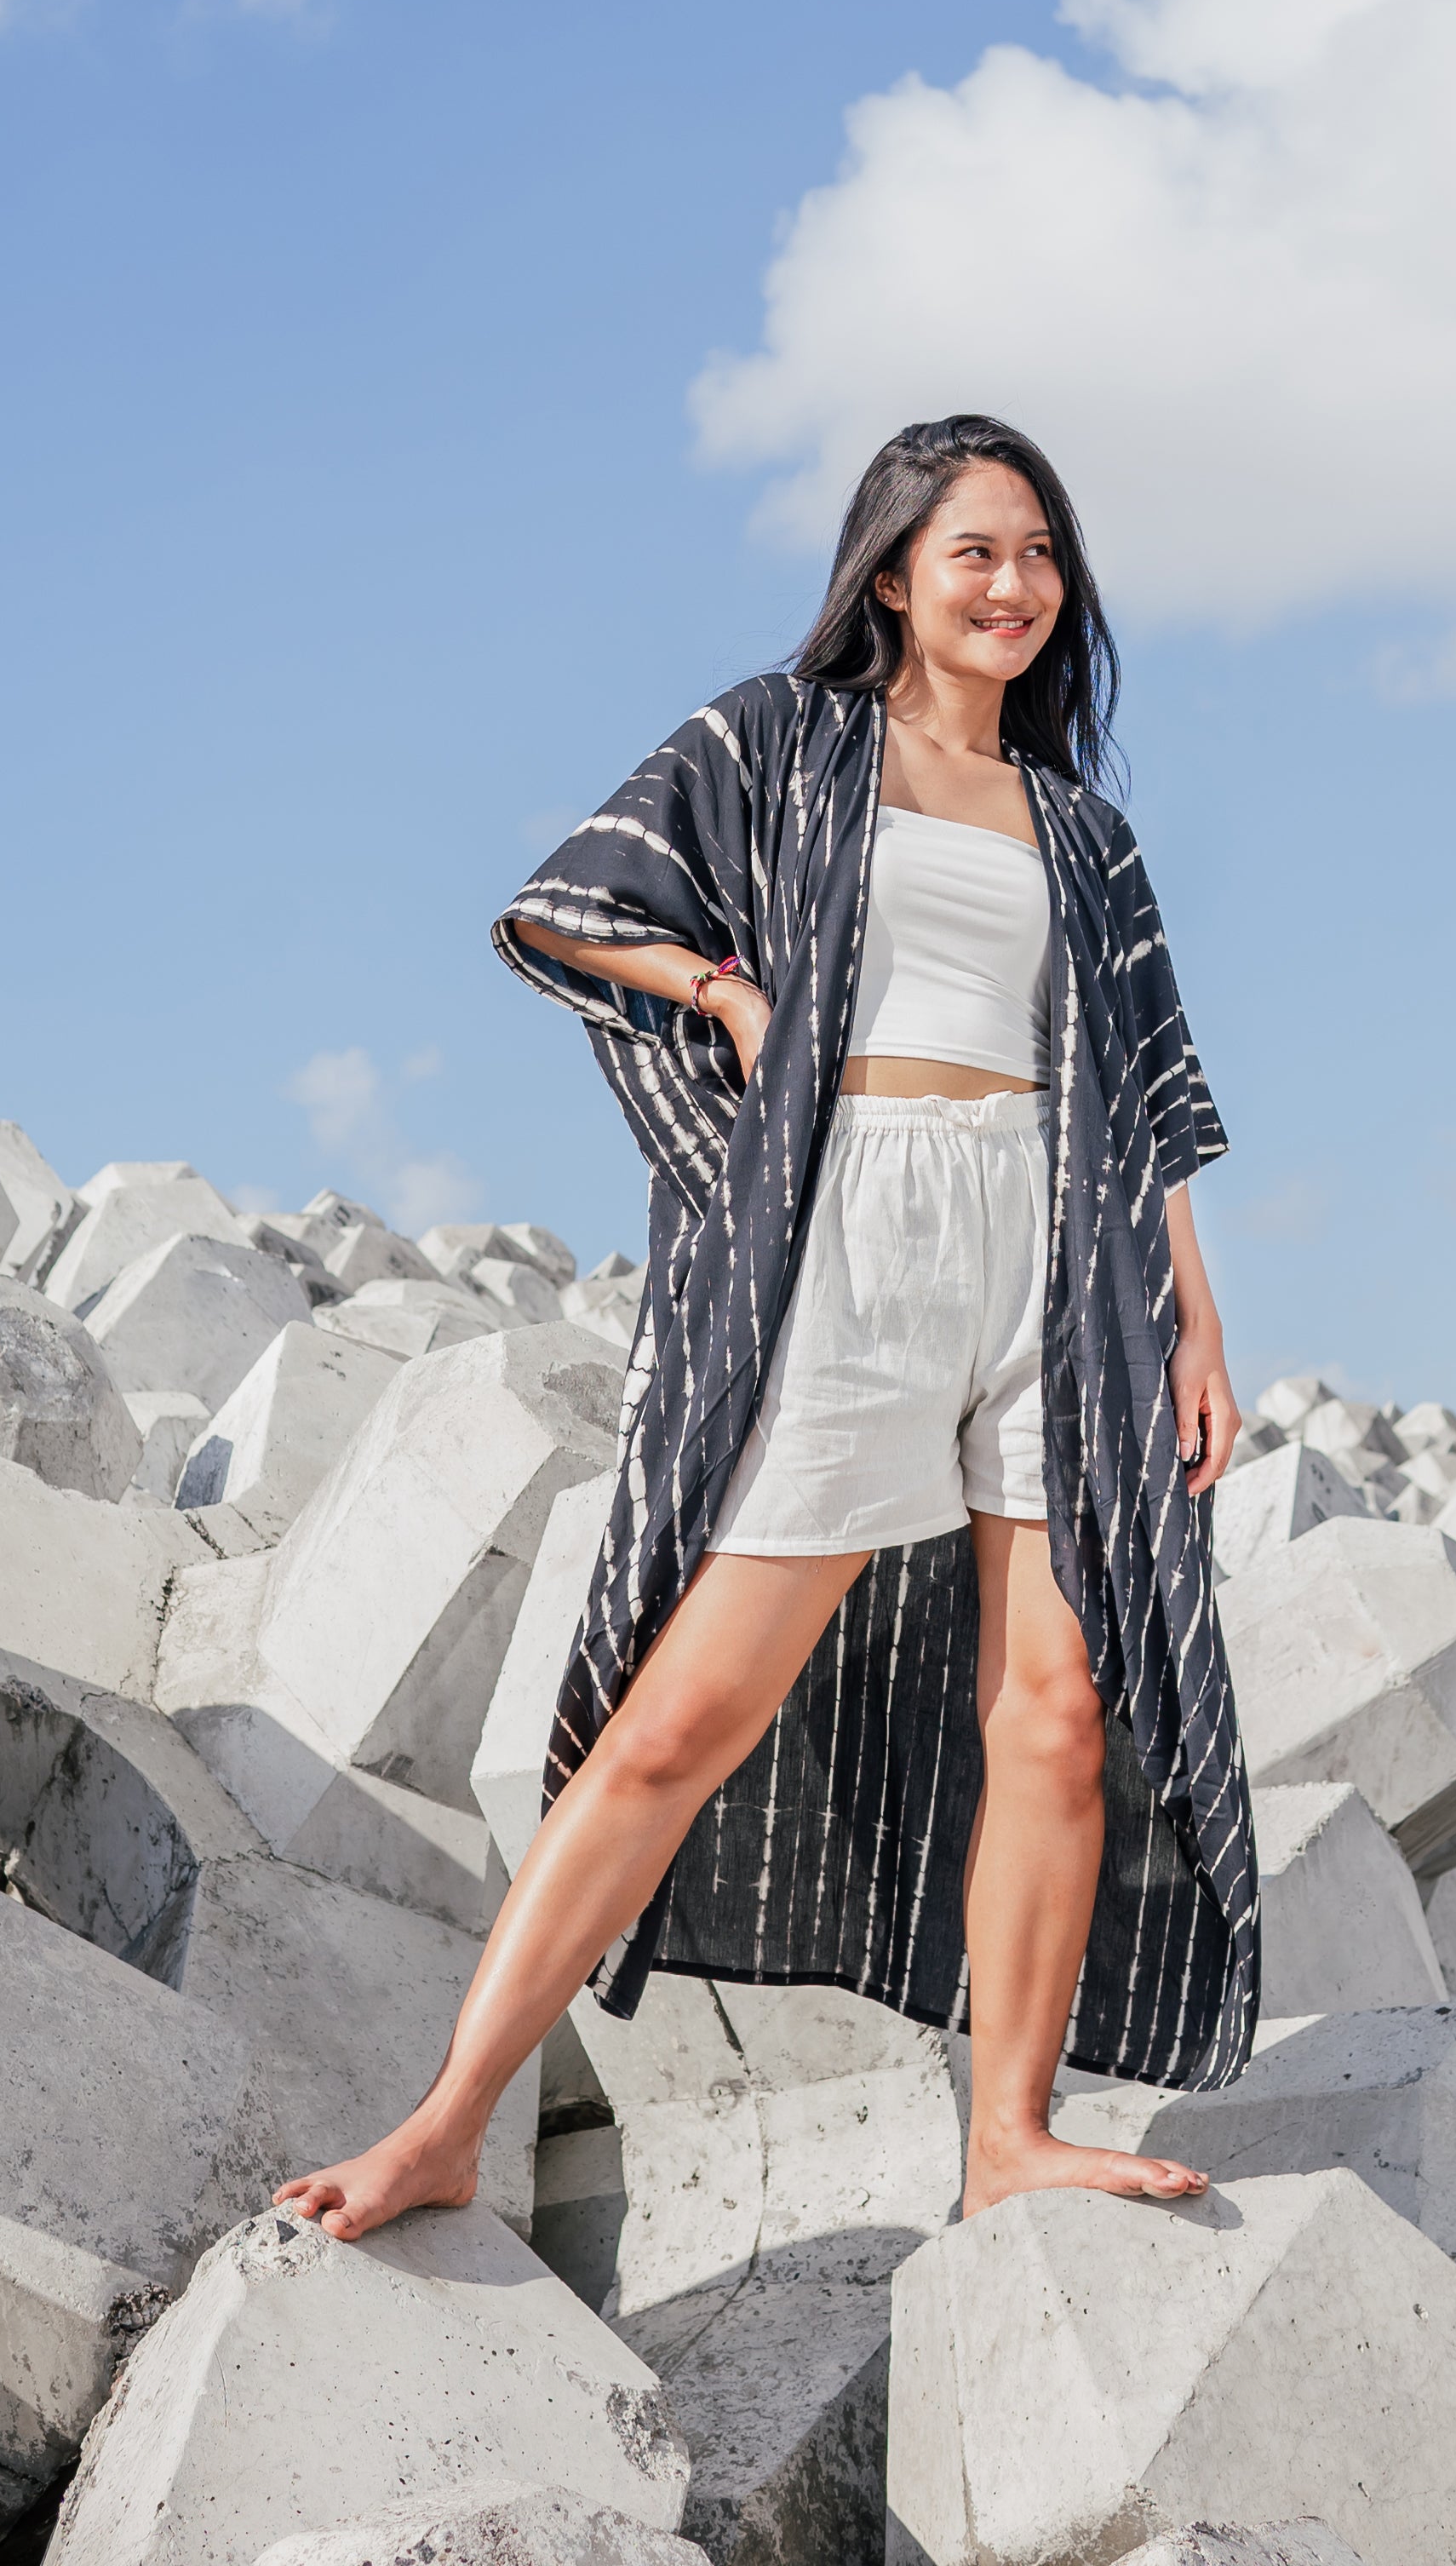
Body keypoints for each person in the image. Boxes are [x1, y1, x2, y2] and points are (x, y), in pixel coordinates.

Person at [278, 411, 1256, 2242]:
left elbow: (1149, 1092)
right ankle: (445, 2120)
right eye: (976, 550)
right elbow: (573, 902)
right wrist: (725, 991)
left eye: (1041, 554)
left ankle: (1011, 2135)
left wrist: (1196, 1326)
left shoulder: (1085, 832)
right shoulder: (788, 740)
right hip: (856, 1226)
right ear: (891, 569)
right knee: (679, 1719)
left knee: (1054, 1714)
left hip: (1061, 1252)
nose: (1016, 586)